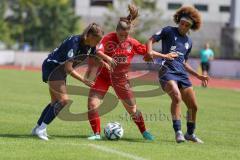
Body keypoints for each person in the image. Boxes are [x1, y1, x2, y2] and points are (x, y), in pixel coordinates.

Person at [86, 4, 176, 141]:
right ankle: (96, 134)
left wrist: (164, 56)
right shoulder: (108, 38)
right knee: (92, 104)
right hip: (103, 77)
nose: (123, 37)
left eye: (126, 35)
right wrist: (108, 58)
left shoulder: (132, 42)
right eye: (120, 35)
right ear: (116, 31)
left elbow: (148, 52)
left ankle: (145, 132)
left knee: (133, 110)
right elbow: (98, 51)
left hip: (121, 80)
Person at [31, 23, 105, 141]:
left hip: (59, 71)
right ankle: (41, 129)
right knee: (63, 101)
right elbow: (68, 68)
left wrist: (105, 63)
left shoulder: (89, 45)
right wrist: (84, 80)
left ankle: (37, 128)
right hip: (52, 67)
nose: (97, 43)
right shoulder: (74, 42)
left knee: (55, 102)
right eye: (97, 40)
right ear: (90, 35)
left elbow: (95, 56)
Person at [147, 6, 209, 143]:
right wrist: (150, 52)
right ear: (178, 21)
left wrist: (198, 76)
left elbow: (184, 63)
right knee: (176, 97)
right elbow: (151, 40)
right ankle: (178, 132)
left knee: (193, 107)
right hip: (166, 71)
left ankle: (190, 134)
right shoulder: (168, 31)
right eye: (182, 23)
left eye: (187, 25)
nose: (183, 26)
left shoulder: (189, 42)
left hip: (181, 73)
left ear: (190, 27)